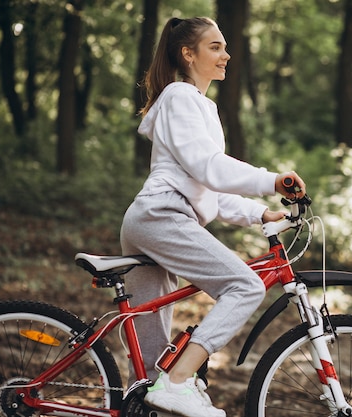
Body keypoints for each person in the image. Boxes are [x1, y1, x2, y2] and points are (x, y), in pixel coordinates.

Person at [120, 16, 306, 417]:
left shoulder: (198, 105)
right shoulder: (179, 97)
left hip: (159, 218)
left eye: (224, 46)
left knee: (151, 369)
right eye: (215, 47)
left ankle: (160, 389)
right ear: (188, 54)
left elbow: (210, 190)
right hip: (161, 216)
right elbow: (210, 168)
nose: (226, 54)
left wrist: (261, 214)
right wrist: (272, 180)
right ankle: (180, 380)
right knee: (245, 286)